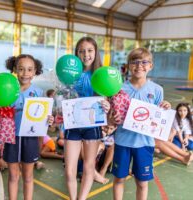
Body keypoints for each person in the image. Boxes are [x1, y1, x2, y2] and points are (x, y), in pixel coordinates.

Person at [111, 48, 171, 200]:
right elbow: (112, 116)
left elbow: (158, 118)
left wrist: (164, 108)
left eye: (144, 62)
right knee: (119, 179)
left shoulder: (157, 90)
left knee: (142, 183)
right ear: (128, 65)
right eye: (135, 62)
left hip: (145, 143)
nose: (139, 66)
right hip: (122, 141)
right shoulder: (119, 88)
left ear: (151, 65)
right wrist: (113, 117)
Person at [64, 36, 110, 200]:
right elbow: (62, 98)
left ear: (96, 52)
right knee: (70, 170)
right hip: (73, 126)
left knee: (89, 166)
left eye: (90, 50)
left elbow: (109, 100)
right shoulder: (70, 76)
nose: (86, 55)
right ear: (76, 53)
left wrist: (107, 106)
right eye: (81, 51)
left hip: (93, 126)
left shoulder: (101, 75)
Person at [3, 54, 54, 200]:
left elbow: (43, 115)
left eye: (29, 69)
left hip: (30, 138)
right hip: (11, 136)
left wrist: (49, 119)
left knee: (28, 176)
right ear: (15, 69)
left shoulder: (38, 92)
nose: (25, 73)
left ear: (35, 71)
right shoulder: (8, 89)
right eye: (21, 69)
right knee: (13, 175)